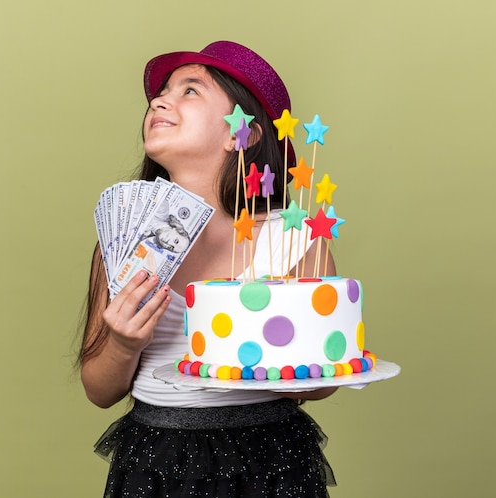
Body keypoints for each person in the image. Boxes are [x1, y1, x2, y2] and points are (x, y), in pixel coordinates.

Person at [77, 40, 338, 497]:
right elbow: (99, 391)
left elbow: (321, 387)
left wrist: (271, 343)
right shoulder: (122, 246)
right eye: (162, 92)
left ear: (242, 134)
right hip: (154, 459)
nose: (160, 100)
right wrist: (122, 342)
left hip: (271, 456)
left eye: (190, 90)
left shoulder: (295, 244)